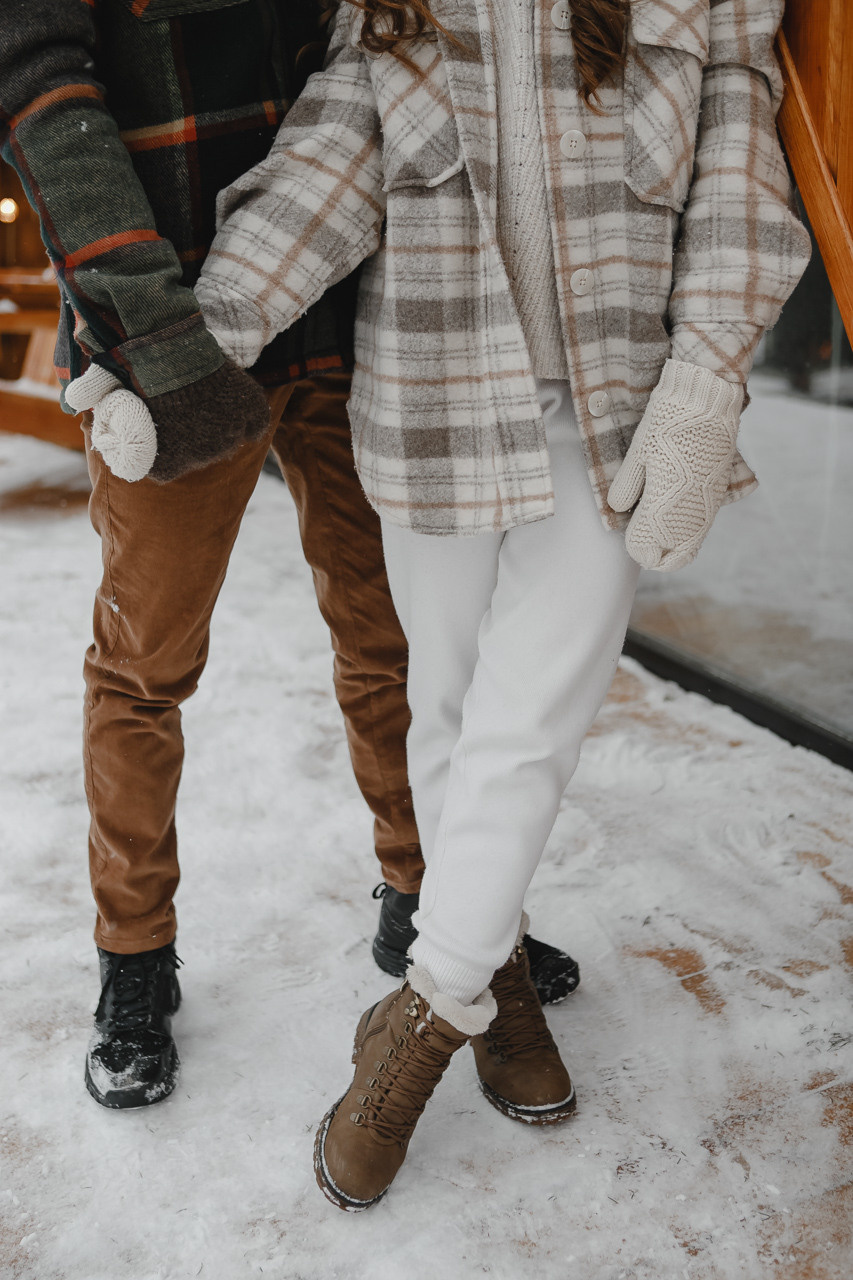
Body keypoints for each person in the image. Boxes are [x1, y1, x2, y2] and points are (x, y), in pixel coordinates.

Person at [194, 0, 810, 1208]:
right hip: (434, 393)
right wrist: (200, 337)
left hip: (615, 414)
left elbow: (742, 166)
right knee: (450, 704)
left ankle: (419, 1027)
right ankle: (498, 973)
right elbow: (332, 162)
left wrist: (705, 374)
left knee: (530, 723)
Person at [0, 0, 576, 1112]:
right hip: (166, 330)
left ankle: (432, 900)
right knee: (144, 662)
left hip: (354, 302)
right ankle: (134, 957)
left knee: (400, 637)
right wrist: (158, 329)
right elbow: (37, 84)